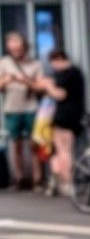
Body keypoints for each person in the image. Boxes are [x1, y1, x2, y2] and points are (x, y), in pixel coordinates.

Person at [0, 31, 48, 189]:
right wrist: (6, 81)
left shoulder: (35, 64)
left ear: (24, 47)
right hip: (12, 109)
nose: (15, 51)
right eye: (12, 47)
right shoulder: (4, 63)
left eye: (18, 48)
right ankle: (18, 179)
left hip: (31, 107)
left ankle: (37, 178)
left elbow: (41, 88)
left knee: (34, 143)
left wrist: (25, 81)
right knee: (15, 144)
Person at [39, 46, 85, 198]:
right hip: (73, 115)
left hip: (64, 117)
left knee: (63, 150)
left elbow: (60, 95)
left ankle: (67, 182)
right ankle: (57, 181)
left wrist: (49, 86)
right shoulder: (75, 72)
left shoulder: (68, 74)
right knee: (58, 151)